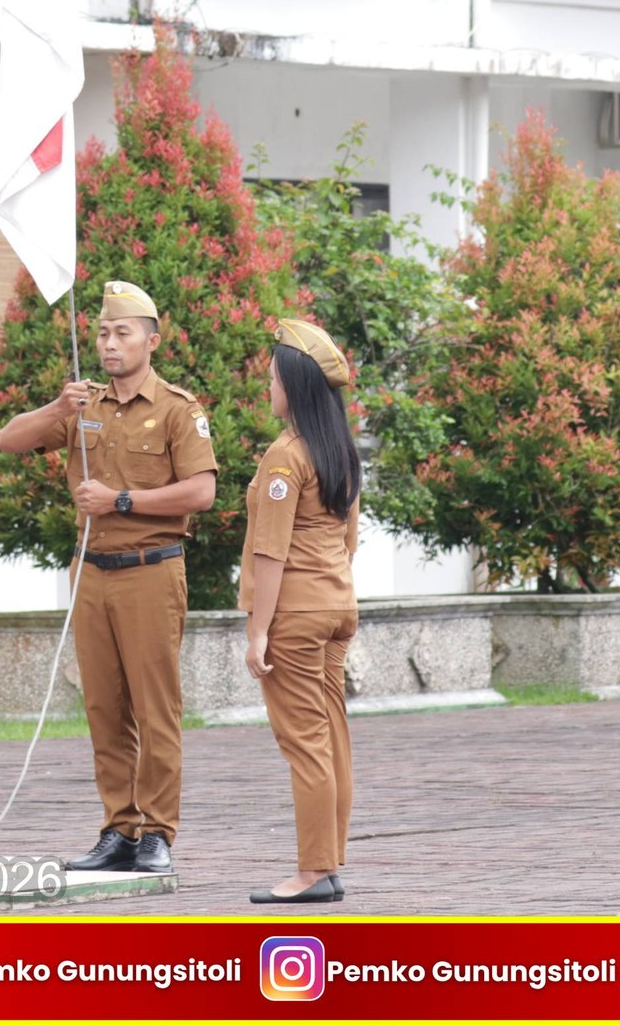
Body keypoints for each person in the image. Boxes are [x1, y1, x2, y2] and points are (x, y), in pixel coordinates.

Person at [0, 280, 217, 877]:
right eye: (102, 333)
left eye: (122, 333)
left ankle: (157, 832)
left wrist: (120, 500)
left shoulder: (177, 408)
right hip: (91, 572)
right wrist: (56, 410)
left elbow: (202, 491)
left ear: (152, 341)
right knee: (103, 708)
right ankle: (119, 828)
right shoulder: (83, 405)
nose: (109, 344)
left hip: (150, 570)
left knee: (154, 708)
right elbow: (7, 440)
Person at [242, 318, 363, 905]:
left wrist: (258, 631)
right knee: (332, 736)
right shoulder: (340, 450)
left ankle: (314, 871)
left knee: (306, 743)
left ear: (295, 385)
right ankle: (330, 863)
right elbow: (350, 542)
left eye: (273, 379)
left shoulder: (285, 456)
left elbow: (271, 551)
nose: (269, 387)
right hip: (338, 605)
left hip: (295, 614)